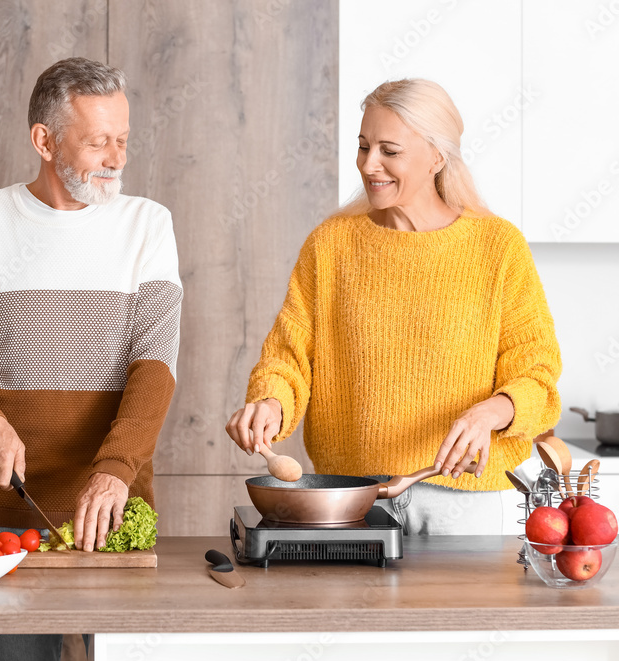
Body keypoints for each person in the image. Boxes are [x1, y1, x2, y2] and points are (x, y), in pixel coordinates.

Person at [0, 57, 182, 661]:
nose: (116, 158)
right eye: (98, 142)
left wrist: (115, 468)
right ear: (44, 140)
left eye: (123, 139)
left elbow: (154, 365)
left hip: (115, 508)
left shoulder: (148, 225)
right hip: (6, 520)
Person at [225, 78, 561, 535]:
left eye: (389, 150)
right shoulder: (332, 244)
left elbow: (536, 374)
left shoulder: (497, 247)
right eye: (363, 147)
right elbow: (289, 357)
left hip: (464, 504)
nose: (369, 164)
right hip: (349, 499)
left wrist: (490, 412)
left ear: (437, 156)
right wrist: (270, 403)